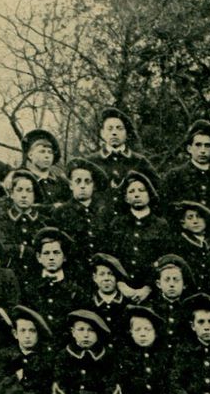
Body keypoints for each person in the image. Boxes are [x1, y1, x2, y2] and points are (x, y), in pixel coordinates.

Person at [108, 171, 169, 302]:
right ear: (125, 198)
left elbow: (164, 259)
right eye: (131, 191)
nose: (136, 194)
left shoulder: (160, 225)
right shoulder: (118, 223)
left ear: (149, 195)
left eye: (141, 190)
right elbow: (111, 257)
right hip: (121, 290)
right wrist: (121, 285)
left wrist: (148, 287)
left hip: (152, 292)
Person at [22, 227, 84, 339]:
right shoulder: (29, 289)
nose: (51, 258)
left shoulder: (75, 290)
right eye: (46, 253)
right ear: (38, 257)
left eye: (56, 253)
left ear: (64, 257)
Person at [0, 169, 50, 281]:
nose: (24, 195)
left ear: (34, 195)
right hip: (9, 277)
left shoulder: (43, 222)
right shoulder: (2, 221)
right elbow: (1, 249)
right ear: (12, 194)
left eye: (29, 191)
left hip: (37, 278)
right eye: (19, 190)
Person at [51, 158, 111, 263]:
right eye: (78, 181)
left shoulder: (104, 212)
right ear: (70, 185)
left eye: (87, 182)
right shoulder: (61, 212)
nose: (82, 186)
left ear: (94, 186)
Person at [88, 106, 158, 196]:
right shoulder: (91, 162)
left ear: (126, 133)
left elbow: (157, 190)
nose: (114, 132)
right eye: (110, 128)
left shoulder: (139, 161)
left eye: (119, 128)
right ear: (102, 133)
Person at [161, 120, 210, 206]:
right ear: (189, 148)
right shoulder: (175, 176)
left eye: (207, 146)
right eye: (198, 145)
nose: (203, 150)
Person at [20, 129, 70, 204]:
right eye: (42, 151)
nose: (47, 156)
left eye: (50, 152)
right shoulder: (22, 180)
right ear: (30, 155)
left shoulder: (62, 183)